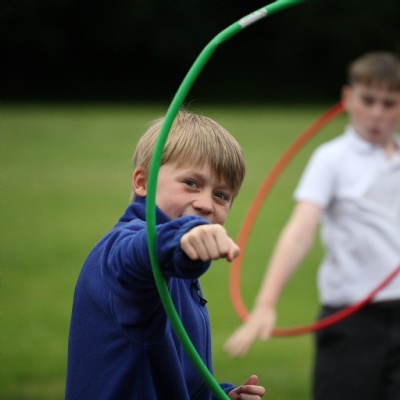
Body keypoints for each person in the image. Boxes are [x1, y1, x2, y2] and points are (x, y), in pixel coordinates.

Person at [224, 51, 400, 400]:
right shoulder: (332, 159)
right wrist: (265, 303)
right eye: (368, 100)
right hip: (350, 322)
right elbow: (299, 232)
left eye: (389, 103)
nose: (377, 113)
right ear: (347, 98)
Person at [65, 111, 265, 400]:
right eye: (191, 183)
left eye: (221, 195)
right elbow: (135, 256)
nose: (206, 204)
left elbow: (177, 378)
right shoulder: (125, 248)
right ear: (143, 182)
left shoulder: (176, 268)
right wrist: (181, 237)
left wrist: (221, 396)